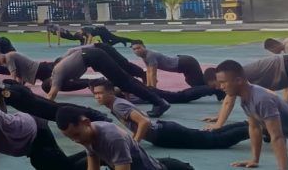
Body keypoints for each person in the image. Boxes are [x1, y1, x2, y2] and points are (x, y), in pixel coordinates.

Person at [91, 78, 249, 149]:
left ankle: (254, 129)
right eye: (95, 94)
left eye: (100, 93)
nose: (97, 96)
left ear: (111, 92)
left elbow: (144, 122)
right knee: (210, 136)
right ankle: (247, 125)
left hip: (165, 134)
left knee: (214, 141)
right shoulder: (115, 104)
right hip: (164, 132)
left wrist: (135, 143)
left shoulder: (118, 106)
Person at [0, 98, 88, 170]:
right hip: (30, 137)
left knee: (66, 168)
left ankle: (98, 155)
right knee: (55, 165)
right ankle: (94, 154)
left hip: (35, 133)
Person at [56, 106, 193, 170]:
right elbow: (93, 159)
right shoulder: (86, 134)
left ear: (86, 122)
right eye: (71, 138)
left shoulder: (112, 138)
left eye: (76, 135)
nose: (76, 140)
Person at [46, 46, 169, 117]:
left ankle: (159, 102)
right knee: (124, 82)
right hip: (94, 56)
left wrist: (44, 110)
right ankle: (156, 100)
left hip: (94, 57)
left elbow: (52, 94)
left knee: (125, 82)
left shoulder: (57, 74)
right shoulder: (63, 66)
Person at [213, 60, 288, 170]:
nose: (221, 87)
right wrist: (254, 159)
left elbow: (277, 137)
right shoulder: (246, 99)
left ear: (238, 80)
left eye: (223, 82)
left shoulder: (261, 99)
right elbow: (254, 128)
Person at [131, 40, 205, 87]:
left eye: (139, 48)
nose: (137, 50)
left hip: (186, 63)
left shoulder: (150, 55)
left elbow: (153, 74)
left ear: (144, 47)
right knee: (192, 82)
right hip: (181, 63)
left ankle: (213, 85)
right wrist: (148, 86)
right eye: (134, 49)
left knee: (198, 83)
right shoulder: (144, 56)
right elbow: (148, 72)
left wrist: (153, 90)